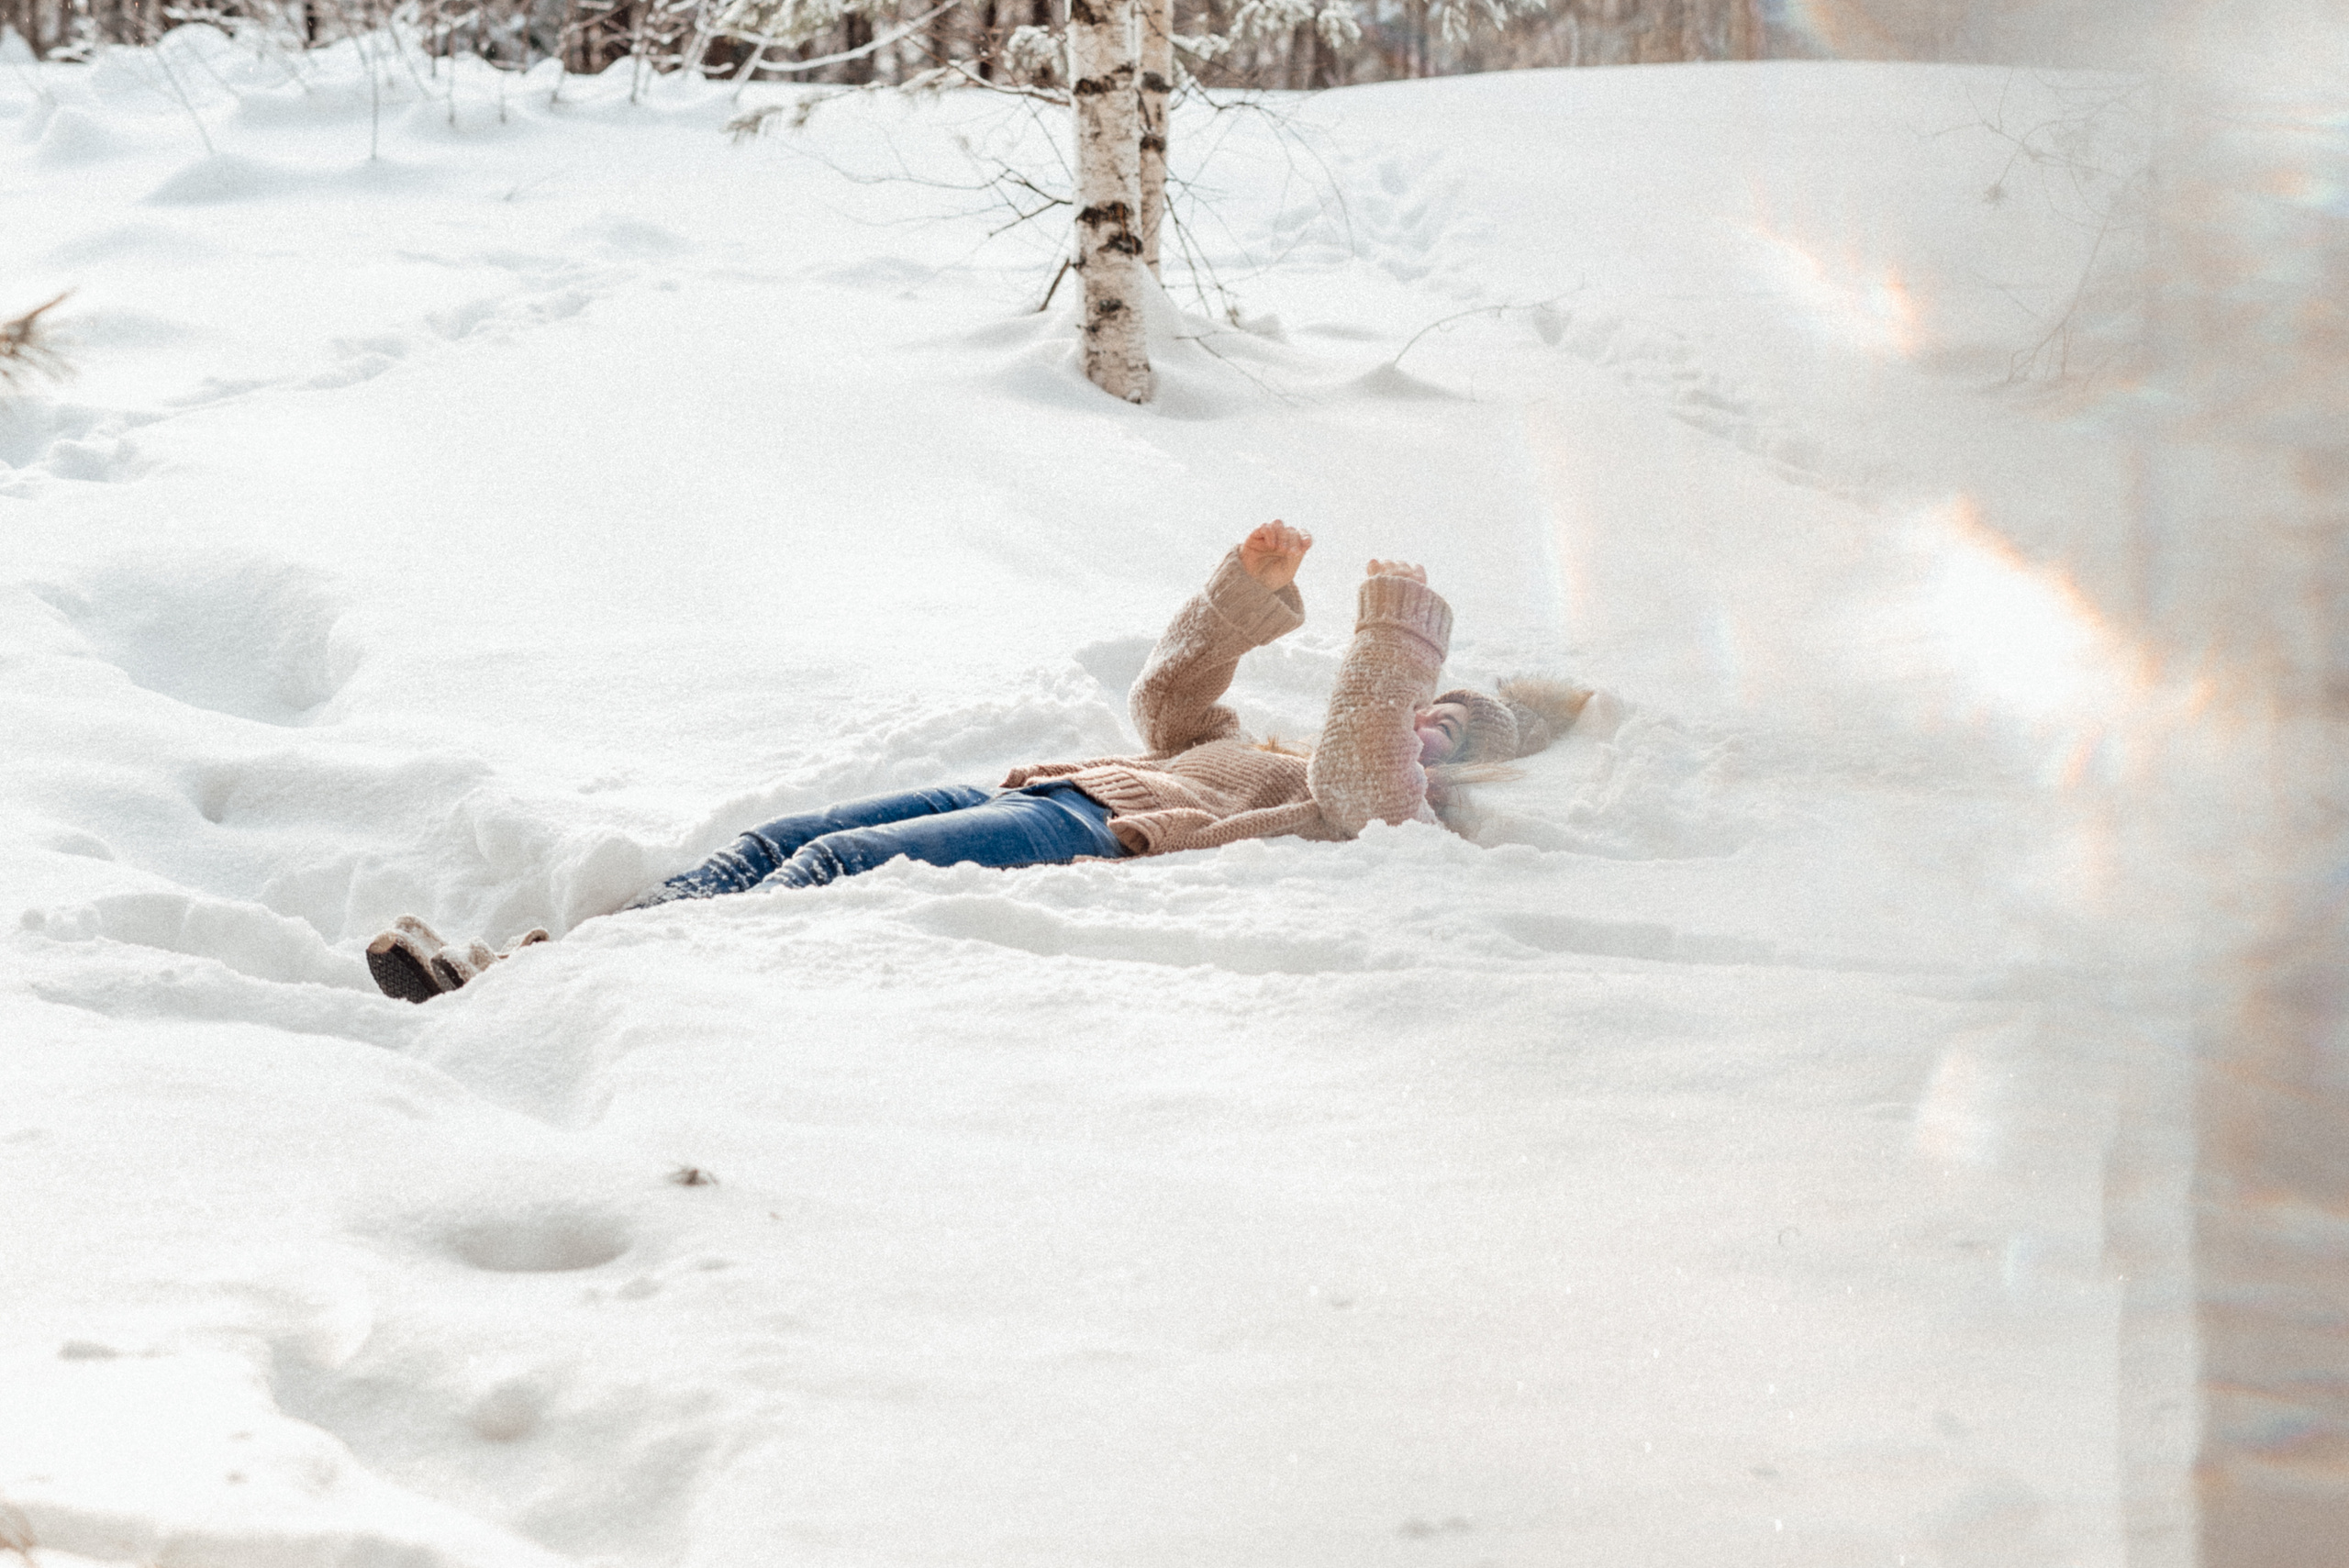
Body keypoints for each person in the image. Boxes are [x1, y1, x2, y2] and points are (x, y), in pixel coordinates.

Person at [366, 522, 1587, 1004]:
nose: (1424, 731)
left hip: (1083, 834)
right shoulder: (1250, 751)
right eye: (1432, 716)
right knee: (768, 846)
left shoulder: (1347, 804)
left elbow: (1368, 779)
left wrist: (1398, 647)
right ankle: (535, 974)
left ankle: (551, 997)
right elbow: (1168, 697)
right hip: (1019, 787)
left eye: (1445, 733)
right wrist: (1243, 594)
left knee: (837, 863)